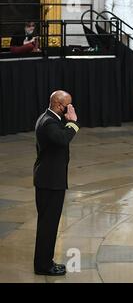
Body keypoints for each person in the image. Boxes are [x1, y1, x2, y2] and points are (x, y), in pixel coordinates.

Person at [33, 90, 80, 276]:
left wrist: (68, 121)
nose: (70, 108)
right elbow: (62, 139)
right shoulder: (48, 122)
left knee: (49, 225)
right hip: (50, 182)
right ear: (59, 105)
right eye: (68, 105)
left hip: (49, 180)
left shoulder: (50, 118)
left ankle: (45, 261)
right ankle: (43, 266)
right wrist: (74, 122)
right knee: (48, 225)